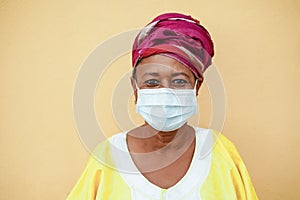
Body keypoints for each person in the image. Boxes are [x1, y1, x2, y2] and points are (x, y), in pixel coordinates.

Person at [67, 13, 258, 199]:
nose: (166, 92)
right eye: (151, 82)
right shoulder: (108, 157)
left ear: (196, 87)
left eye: (179, 81)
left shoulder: (221, 153)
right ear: (135, 88)